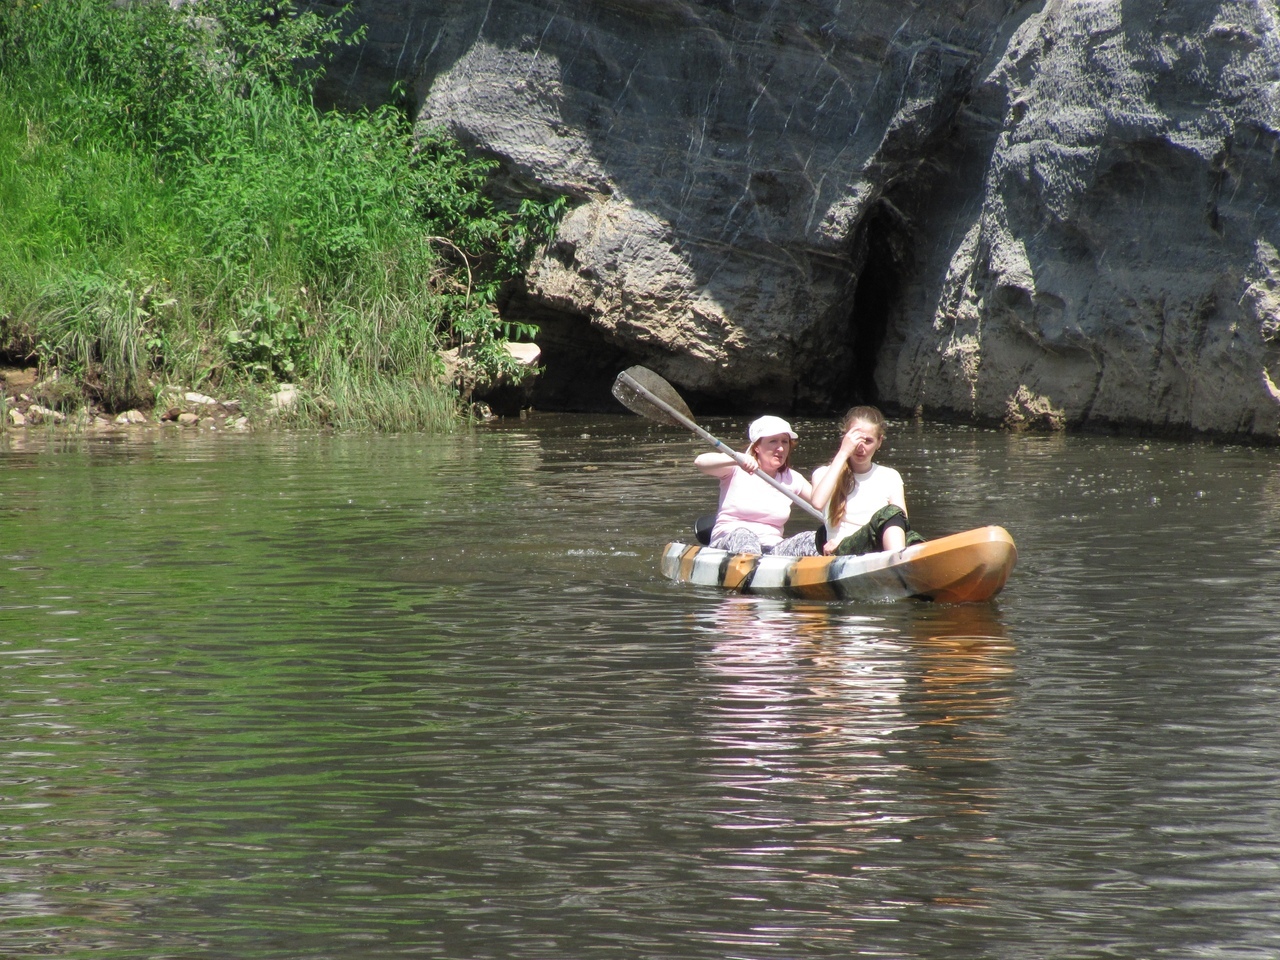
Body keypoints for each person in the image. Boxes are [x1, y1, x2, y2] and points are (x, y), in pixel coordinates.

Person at [809, 406, 925, 555]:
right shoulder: (824, 473)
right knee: (890, 512)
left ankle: (903, 561)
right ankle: (897, 562)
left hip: (879, 548)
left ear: (879, 442)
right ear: (845, 438)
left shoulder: (890, 476)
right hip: (843, 549)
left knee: (912, 538)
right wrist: (843, 452)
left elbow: (901, 521)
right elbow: (817, 503)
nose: (860, 447)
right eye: (855, 440)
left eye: (868, 441)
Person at [695, 415, 817, 556]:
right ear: (757, 447)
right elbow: (700, 462)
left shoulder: (794, 479)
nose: (781, 448)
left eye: (785, 442)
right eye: (773, 441)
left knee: (812, 539)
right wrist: (736, 459)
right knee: (745, 536)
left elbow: (823, 503)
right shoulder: (736, 468)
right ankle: (748, 569)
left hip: (772, 548)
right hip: (729, 543)